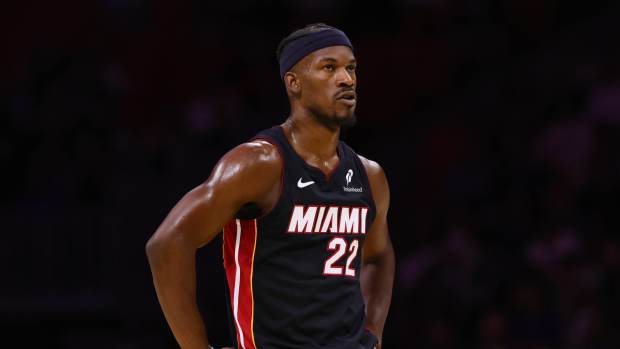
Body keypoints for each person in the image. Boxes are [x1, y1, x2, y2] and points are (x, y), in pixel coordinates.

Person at [146, 23, 395, 349]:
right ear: (294, 84)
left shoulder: (369, 175)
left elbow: (378, 255)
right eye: (329, 68)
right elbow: (166, 244)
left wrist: (374, 330)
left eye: (351, 68)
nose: (347, 79)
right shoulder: (259, 164)